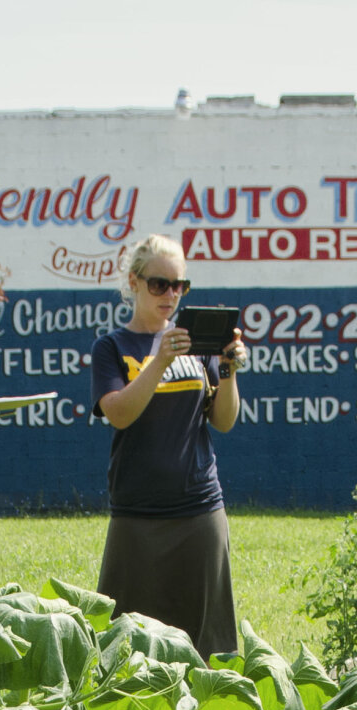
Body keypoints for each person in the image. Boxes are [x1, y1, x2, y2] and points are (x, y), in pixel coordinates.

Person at [90, 234, 244, 655]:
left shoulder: (197, 344)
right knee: (126, 650)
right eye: (160, 284)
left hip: (199, 510)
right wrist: (160, 359)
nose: (170, 295)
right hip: (137, 513)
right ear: (135, 282)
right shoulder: (112, 347)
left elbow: (224, 421)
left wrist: (228, 368)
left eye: (180, 286)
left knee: (208, 647)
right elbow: (119, 412)